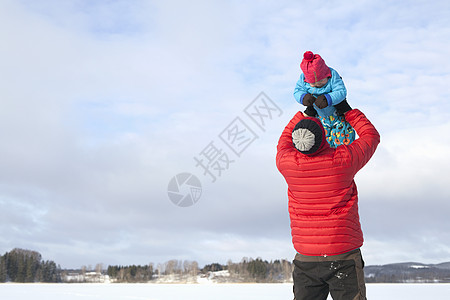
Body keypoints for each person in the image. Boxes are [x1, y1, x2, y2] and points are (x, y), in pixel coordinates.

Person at [276, 104, 380, 300]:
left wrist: (304, 114)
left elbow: (283, 142)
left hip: (306, 258)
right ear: (323, 136)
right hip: (343, 256)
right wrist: (347, 110)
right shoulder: (342, 160)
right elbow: (371, 137)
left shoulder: (287, 163)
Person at [294, 51, 355, 147]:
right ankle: (327, 158)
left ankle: (343, 156)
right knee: (322, 140)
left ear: (327, 75)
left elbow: (341, 91)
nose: (318, 85)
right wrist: (303, 97)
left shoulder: (333, 75)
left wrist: (328, 98)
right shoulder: (303, 79)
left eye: (321, 81)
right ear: (307, 80)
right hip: (320, 118)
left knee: (343, 137)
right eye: (313, 84)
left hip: (338, 115)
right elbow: (297, 91)